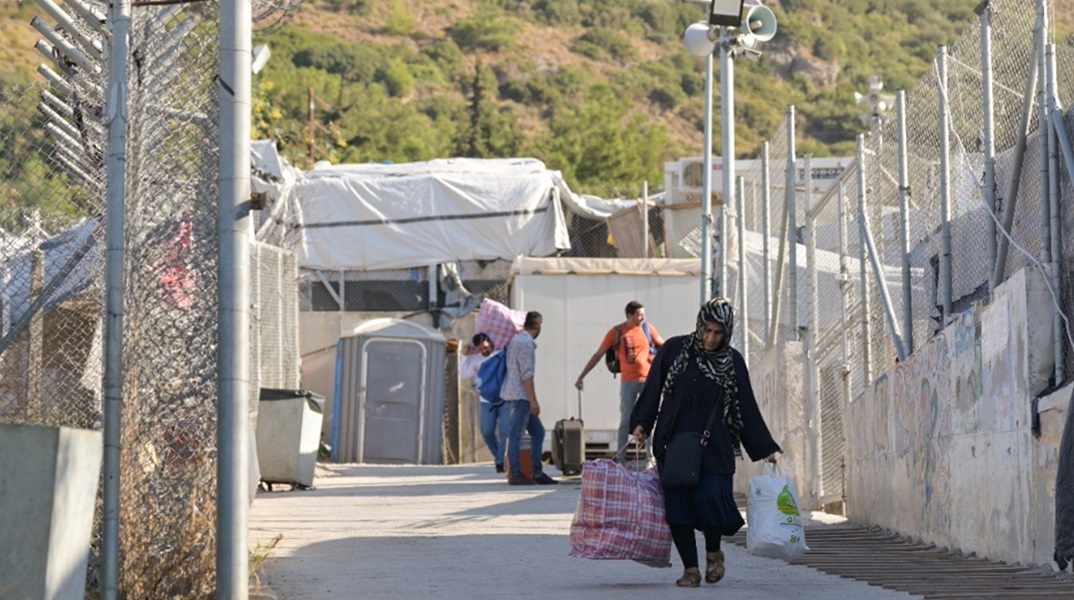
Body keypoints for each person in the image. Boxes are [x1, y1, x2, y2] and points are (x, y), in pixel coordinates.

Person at [630, 297, 781, 587]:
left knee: (712, 501)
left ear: (727, 333)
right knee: (678, 509)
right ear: (699, 326)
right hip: (674, 443)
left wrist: (764, 448)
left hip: (715, 446)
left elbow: (745, 406)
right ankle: (690, 569)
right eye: (707, 330)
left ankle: (714, 553)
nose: (711, 338)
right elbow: (653, 389)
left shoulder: (733, 361)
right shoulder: (674, 350)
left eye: (718, 332)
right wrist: (641, 425)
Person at [574, 300, 664, 457]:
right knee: (626, 421)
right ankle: (620, 458)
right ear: (629, 316)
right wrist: (582, 376)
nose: (642, 318)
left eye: (643, 314)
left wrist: (657, 359)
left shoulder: (647, 329)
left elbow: (664, 347)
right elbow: (598, 354)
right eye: (639, 315)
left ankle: (651, 457)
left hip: (648, 381)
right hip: (628, 381)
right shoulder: (617, 332)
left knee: (650, 419)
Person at [501, 311, 557, 485]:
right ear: (538, 327)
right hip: (521, 396)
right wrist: (533, 400)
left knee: (537, 432)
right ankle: (516, 474)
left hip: (512, 392)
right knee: (516, 434)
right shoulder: (526, 344)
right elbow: (526, 375)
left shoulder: (515, 340)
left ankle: (536, 472)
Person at [460, 333, 505, 473]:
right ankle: (500, 456)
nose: (484, 351)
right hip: (486, 400)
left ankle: (501, 462)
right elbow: (463, 374)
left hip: (504, 398)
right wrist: (463, 356)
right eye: (480, 349)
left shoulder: (500, 355)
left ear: (491, 343)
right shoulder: (474, 360)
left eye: (485, 347)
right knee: (487, 431)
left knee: (505, 431)